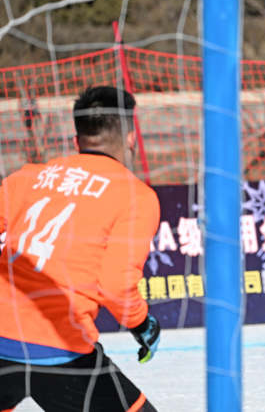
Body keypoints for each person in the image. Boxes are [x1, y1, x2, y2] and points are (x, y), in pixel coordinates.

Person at [0, 86, 161, 411]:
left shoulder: (25, 178)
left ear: (77, 140)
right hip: (61, 351)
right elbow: (115, 286)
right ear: (131, 137)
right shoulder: (136, 196)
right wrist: (143, 326)